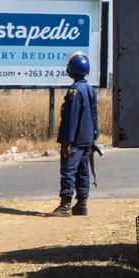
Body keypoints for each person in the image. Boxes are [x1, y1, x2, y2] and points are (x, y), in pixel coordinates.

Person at [51, 51, 98, 217]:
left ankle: (65, 205)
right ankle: (82, 203)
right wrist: (94, 136)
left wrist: (67, 141)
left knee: (68, 171)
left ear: (73, 69)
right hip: (87, 139)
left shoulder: (74, 91)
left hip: (75, 140)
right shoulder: (90, 89)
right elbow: (94, 115)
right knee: (83, 171)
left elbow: (71, 118)